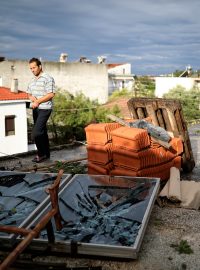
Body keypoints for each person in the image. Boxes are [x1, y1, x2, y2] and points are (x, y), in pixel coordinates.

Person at [27, 57, 56, 163]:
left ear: (40, 66)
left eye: (34, 67)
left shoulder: (48, 78)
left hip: (45, 108)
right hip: (36, 109)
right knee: (42, 132)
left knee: (36, 133)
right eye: (31, 68)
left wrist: (38, 101)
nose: (32, 70)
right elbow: (29, 93)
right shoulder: (32, 80)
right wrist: (32, 98)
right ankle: (46, 155)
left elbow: (51, 94)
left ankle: (40, 154)